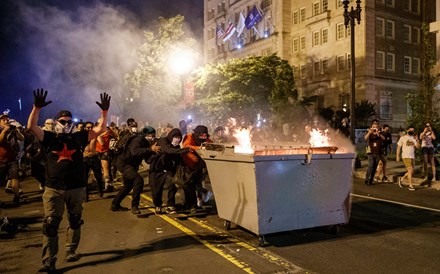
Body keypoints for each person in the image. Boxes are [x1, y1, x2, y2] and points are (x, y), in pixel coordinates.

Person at [27, 89, 110, 272]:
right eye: (62, 121)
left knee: (75, 219)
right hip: (54, 188)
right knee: (50, 223)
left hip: (76, 187)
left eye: (68, 121)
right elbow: (32, 126)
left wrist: (104, 112)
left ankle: (71, 250)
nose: (66, 124)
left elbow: (100, 129)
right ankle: (49, 259)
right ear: (57, 122)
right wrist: (37, 107)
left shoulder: (78, 137)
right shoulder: (49, 138)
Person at [111, 126, 160, 214]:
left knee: (128, 186)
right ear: (146, 134)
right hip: (125, 164)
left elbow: (148, 160)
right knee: (138, 180)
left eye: (153, 135)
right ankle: (135, 206)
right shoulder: (138, 140)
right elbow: (135, 152)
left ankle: (115, 204)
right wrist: (150, 149)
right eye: (151, 135)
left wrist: (155, 153)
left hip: (131, 165)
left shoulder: (146, 143)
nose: (152, 137)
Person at [148, 128, 191, 214]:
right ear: (171, 136)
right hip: (157, 169)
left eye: (179, 137)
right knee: (156, 190)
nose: (177, 139)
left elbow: (177, 158)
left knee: (172, 186)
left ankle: (171, 205)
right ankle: (158, 205)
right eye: (176, 137)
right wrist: (186, 149)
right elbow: (169, 151)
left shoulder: (177, 147)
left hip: (168, 169)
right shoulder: (163, 141)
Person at [182, 125, 213, 211]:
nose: (203, 137)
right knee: (188, 185)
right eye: (201, 135)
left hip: (200, 166)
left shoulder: (207, 140)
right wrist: (199, 148)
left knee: (197, 184)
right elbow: (187, 146)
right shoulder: (189, 137)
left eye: (205, 135)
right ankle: (189, 204)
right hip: (188, 165)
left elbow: (211, 146)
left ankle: (195, 204)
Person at [0, 113, 25, 204]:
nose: (6, 121)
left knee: (15, 177)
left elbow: (22, 138)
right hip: (1, 160)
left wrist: (16, 131)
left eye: (7, 119)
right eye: (3, 120)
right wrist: (4, 131)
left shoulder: (12, 129)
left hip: (12, 158)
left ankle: (17, 197)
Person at [82, 121, 104, 201]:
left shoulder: (95, 135)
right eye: (88, 127)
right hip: (85, 158)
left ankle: (100, 191)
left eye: (91, 127)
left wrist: (99, 135)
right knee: (84, 178)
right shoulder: (82, 136)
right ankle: (85, 196)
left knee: (98, 176)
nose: (90, 129)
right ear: (85, 128)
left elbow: (102, 143)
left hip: (94, 157)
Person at [396, 125, 420, 191]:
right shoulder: (403, 138)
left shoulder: (413, 138)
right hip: (405, 156)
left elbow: (418, 147)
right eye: (410, 130)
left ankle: (401, 179)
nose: (411, 131)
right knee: (410, 169)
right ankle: (410, 185)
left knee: (411, 171)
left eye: (413, 131)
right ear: (407, 130)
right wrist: (397, 156)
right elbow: (398, 147)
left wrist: (417, 140)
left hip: (412, 156)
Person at [364, 120, 385, 186]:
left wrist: (379, 134)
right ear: (371, 127)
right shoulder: (370, 133)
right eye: (373, 127)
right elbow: (365, 138)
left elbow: (383, 139)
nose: (375, 128)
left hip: (378, 152)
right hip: (370, 152)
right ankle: (367, 178)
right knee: (371, 165)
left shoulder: (379, 133)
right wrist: (370, 132)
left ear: (378, 127)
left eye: (376, 127)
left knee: (375, 166)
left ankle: (371, 179)